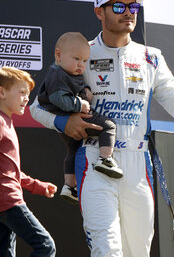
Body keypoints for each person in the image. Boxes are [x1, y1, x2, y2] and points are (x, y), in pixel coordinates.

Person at [30, 0, 174, 256]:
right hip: (95, 161)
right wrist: (65, 122)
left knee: (138, 252)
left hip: (138, 165)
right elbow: (36, 108)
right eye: (119, 6)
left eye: (134, 6)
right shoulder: (81, 52)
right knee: (107, 249)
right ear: (99, 11)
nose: (129, 11)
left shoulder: (151, 57)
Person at [0, 67, 57, 256]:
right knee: (45, 245)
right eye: (22, 92)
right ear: (2, 92)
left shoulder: (4, 121)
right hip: (7, 200)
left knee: (4, 253)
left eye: (28, 94)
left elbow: (7, 170)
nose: (27, 98)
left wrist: (37, 186)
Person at [37, 32, 123, 203]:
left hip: (69, 120)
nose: (81, 65)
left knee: (73, 150)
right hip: (72, 117)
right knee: (109, 126)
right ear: (58, 55)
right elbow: (58, 98)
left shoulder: (67, 72)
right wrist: (80, 104)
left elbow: (74, 90)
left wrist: (85, 93)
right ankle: (105, 160)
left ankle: (69, 187)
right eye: (76, 59)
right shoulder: (57, 74)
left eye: (84, 61)